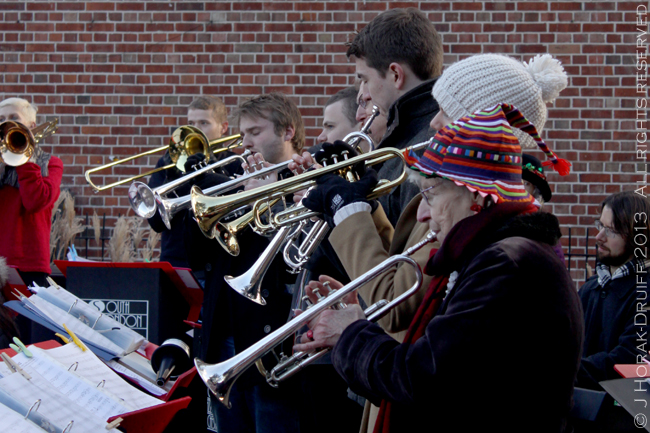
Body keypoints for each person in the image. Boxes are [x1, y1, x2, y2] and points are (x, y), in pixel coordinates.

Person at [300, 52, 569, 433]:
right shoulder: (484, 231)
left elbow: (419, 361)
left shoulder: (501, 255)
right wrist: (360, 201)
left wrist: (349, 211)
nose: (433, 121)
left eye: (444, 109)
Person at [197, 93, 304, 433]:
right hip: (224, 338)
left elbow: (293, 267)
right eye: (243, 134)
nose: (246, 143)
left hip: (269, 346)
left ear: (287, 132)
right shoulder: (234, 177)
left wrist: (269, 205)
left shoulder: (305, 181)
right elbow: (198, 257)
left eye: (255, 132)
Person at [346, 7, 443, 226]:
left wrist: (339, 210)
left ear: (396, 75)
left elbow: (400, 254)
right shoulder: (406, 137)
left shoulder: (424, 148)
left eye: (365, 79)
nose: (366, 93)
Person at [147, 96, 235, 272]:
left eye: (204, 123)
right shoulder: (169, 164)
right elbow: (156, 222)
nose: (195, 130)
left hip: (216, 265)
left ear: (223, 127)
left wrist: (214, 176)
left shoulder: (234, 163)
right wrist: (170, 179)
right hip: (174, 262)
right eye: (191, 123)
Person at [577, 191, 650, 390]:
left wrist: (566, 370)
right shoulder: (590, 288)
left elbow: (629, 359)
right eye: (600, 225)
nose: (599, 237)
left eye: (611, 230)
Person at [0, 97, 63, 288]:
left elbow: (35, 201)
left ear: (31, 126)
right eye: (1, 118)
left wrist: (24, 158)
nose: (6, 122)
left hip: (29, 266)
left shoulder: (50, 163)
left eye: (14, 118)